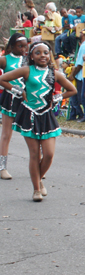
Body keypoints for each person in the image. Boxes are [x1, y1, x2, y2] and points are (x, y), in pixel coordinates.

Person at [0, 42, 77, 201]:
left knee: (48, 154)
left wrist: (57, 98)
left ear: (50, 56)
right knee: (34, 154)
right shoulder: (26, 70)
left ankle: (38, 178)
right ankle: (36, 189)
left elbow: (72, 90)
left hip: (47, 116)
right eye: (38, 53)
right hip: (29, 114)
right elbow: (3, 79)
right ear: (31, 56)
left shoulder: (55, 73)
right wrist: (18, 90)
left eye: (45, 52)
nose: (42, 55)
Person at [0, 33, 29, 180]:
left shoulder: (29, 60)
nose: (24, 49)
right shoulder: (4, 60)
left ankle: (37, 165)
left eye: (25, 46)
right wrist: (12, 88)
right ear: (11, 46)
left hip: (27, 99)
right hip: (10, 98)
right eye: (20, 46)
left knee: (31, 133)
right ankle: (2, 167)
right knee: (6, 134)